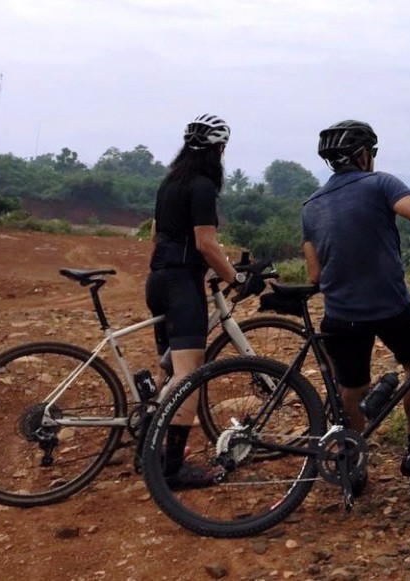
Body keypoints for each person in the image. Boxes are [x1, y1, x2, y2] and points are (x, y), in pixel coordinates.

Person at [301, 119, 410, 481]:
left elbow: (314, 274)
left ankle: (353, 462)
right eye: (372, 153)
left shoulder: (311, 206)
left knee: (351, 385)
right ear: (364, 155)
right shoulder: (381, 183)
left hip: (341, 314)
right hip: (392, 306)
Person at [146, 114, 263, 489]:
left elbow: (157, 236)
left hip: (158, 279)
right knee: (189, 377)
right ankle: (172, 470)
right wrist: (235, 277)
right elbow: (205, 244)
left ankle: (149, 449)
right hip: (181, 284)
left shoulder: (170, 184)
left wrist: (200, 269)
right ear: (219, 149)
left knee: (169, 368)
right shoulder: (202, 187)